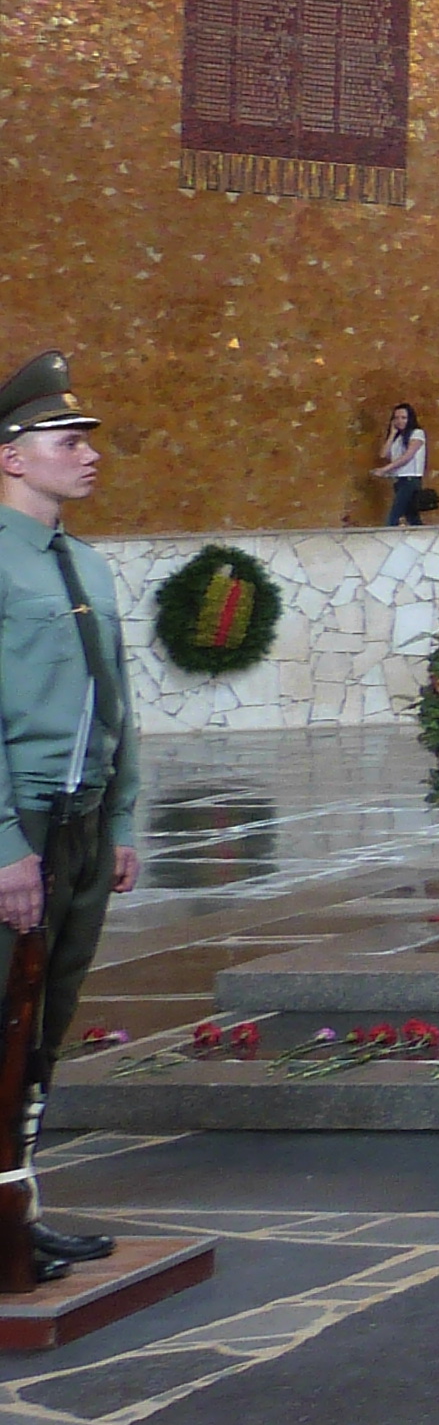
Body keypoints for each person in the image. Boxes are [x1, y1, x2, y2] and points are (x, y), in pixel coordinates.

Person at [0, 353, 138, 1280]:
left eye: (87, 439)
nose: (88, 454)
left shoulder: (84, 564)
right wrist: (4, 846)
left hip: (81, 826)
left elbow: (116, 703)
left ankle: (18, 1207)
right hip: (23, 826)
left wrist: (120, 819)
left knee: (42, 1028)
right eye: (67, 440)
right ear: (11, 455)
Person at [374, 400, 431, 527]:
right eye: (396, 418)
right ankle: (424, 538)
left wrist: (385, 469)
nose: (400, 421)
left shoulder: (417, 433)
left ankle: (389, 536)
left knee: (393, 517)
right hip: (398, 480)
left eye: (403, 418)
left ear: (410, 419)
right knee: (412, 517)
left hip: (410, 479)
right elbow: (383, 454)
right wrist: (392, 433)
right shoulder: (398, 438)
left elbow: (407, 457)